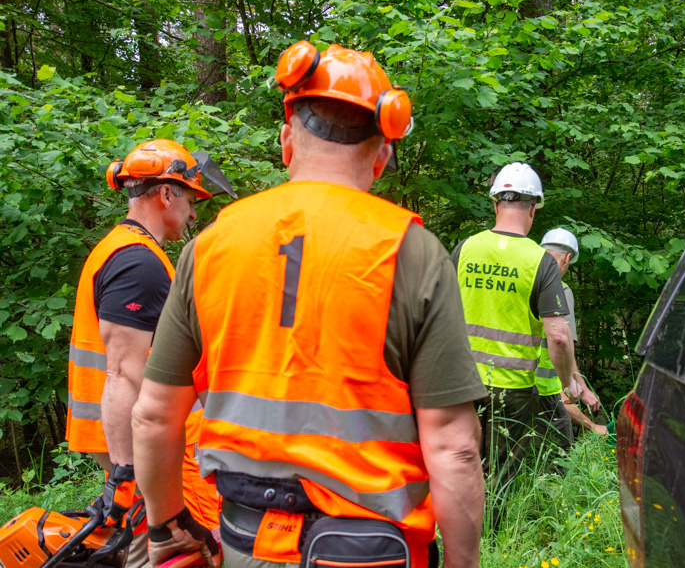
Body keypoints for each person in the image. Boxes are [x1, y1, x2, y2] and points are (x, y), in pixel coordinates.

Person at [131, 41, 486, 568]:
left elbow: (155, 416)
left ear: (286, 143)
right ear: (383, 156)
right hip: (375, 552)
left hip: (245, 544)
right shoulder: (411, 252)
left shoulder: (212, 246)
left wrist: (166, 525)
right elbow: (454, 449)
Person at [66, 139, 233, 566]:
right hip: (146, 450)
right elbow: (124, 373)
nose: (194, 213)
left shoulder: (127, 251)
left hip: (137, 446)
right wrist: (126, 474)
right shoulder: (137, 262)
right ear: (165, 194)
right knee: (185, 551)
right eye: (191, 199)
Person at [450, 164, 578, 514]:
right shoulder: (540, 262)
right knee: (499, 475)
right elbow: (559, 336)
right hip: (514, 390)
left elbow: (439, 315)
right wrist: (567, 382)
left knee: (459, 463)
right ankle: (489, 545)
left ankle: (449, 533)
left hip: (462, 382)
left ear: (495, 204)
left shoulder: (465, 249)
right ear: (533, 209)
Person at [533, 228, 602, 452]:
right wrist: (573, 386)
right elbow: (563, 343)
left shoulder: (522, 281)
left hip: (509, 384)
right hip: (546, 389)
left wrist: (582, 389)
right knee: (559, 455)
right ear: (568, 258)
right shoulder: (561, 290)